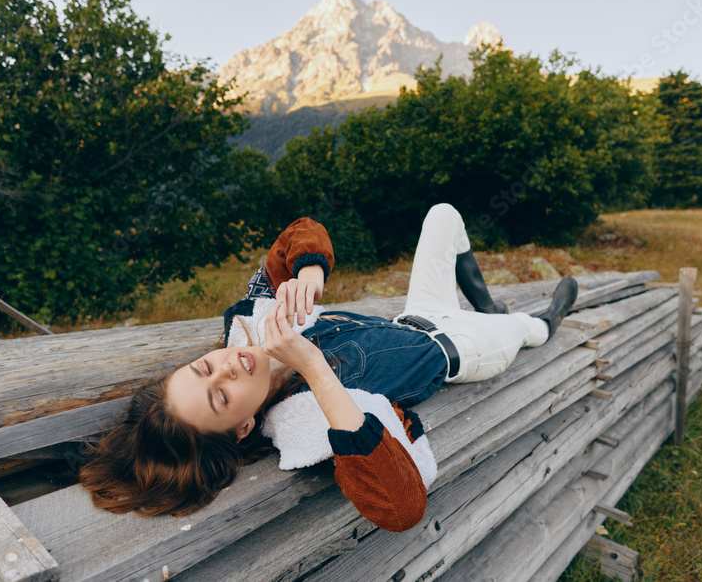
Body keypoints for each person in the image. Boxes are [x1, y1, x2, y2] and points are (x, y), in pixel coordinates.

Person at [78, 203, 578, 532]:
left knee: (443, 215)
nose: (228, 367)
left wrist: (309, 272)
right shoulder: (307, 418)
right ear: (244, 426)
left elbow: (300, 231)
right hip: (461, 347)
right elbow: (402, 509)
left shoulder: (253, 322)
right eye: (221, 396)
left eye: (205, 366)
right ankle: (546, 320)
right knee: (527, 330)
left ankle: (486, 303)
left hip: (414, 314)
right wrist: (314, 367)